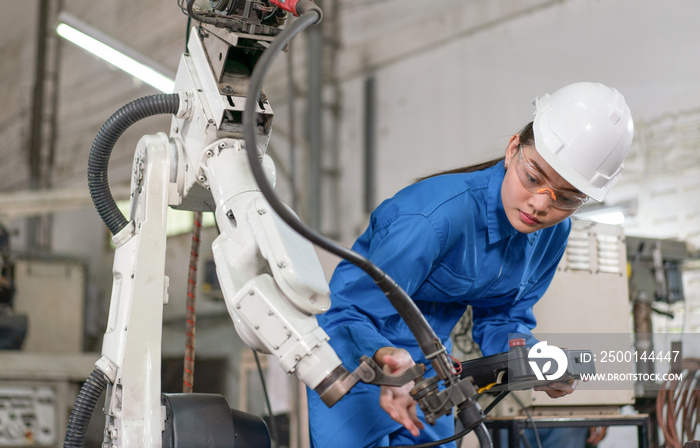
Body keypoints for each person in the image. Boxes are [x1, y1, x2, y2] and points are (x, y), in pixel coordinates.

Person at [307, 82, 634, 448]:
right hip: (357, 363)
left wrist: (534, 360)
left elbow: (503, 319)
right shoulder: (434, 218)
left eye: (568, 198)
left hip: (432, 370)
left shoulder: (552, 234)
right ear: (513, 149)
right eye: (533, 179)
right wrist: (387, 358)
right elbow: (345, 311)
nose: (541, 206)